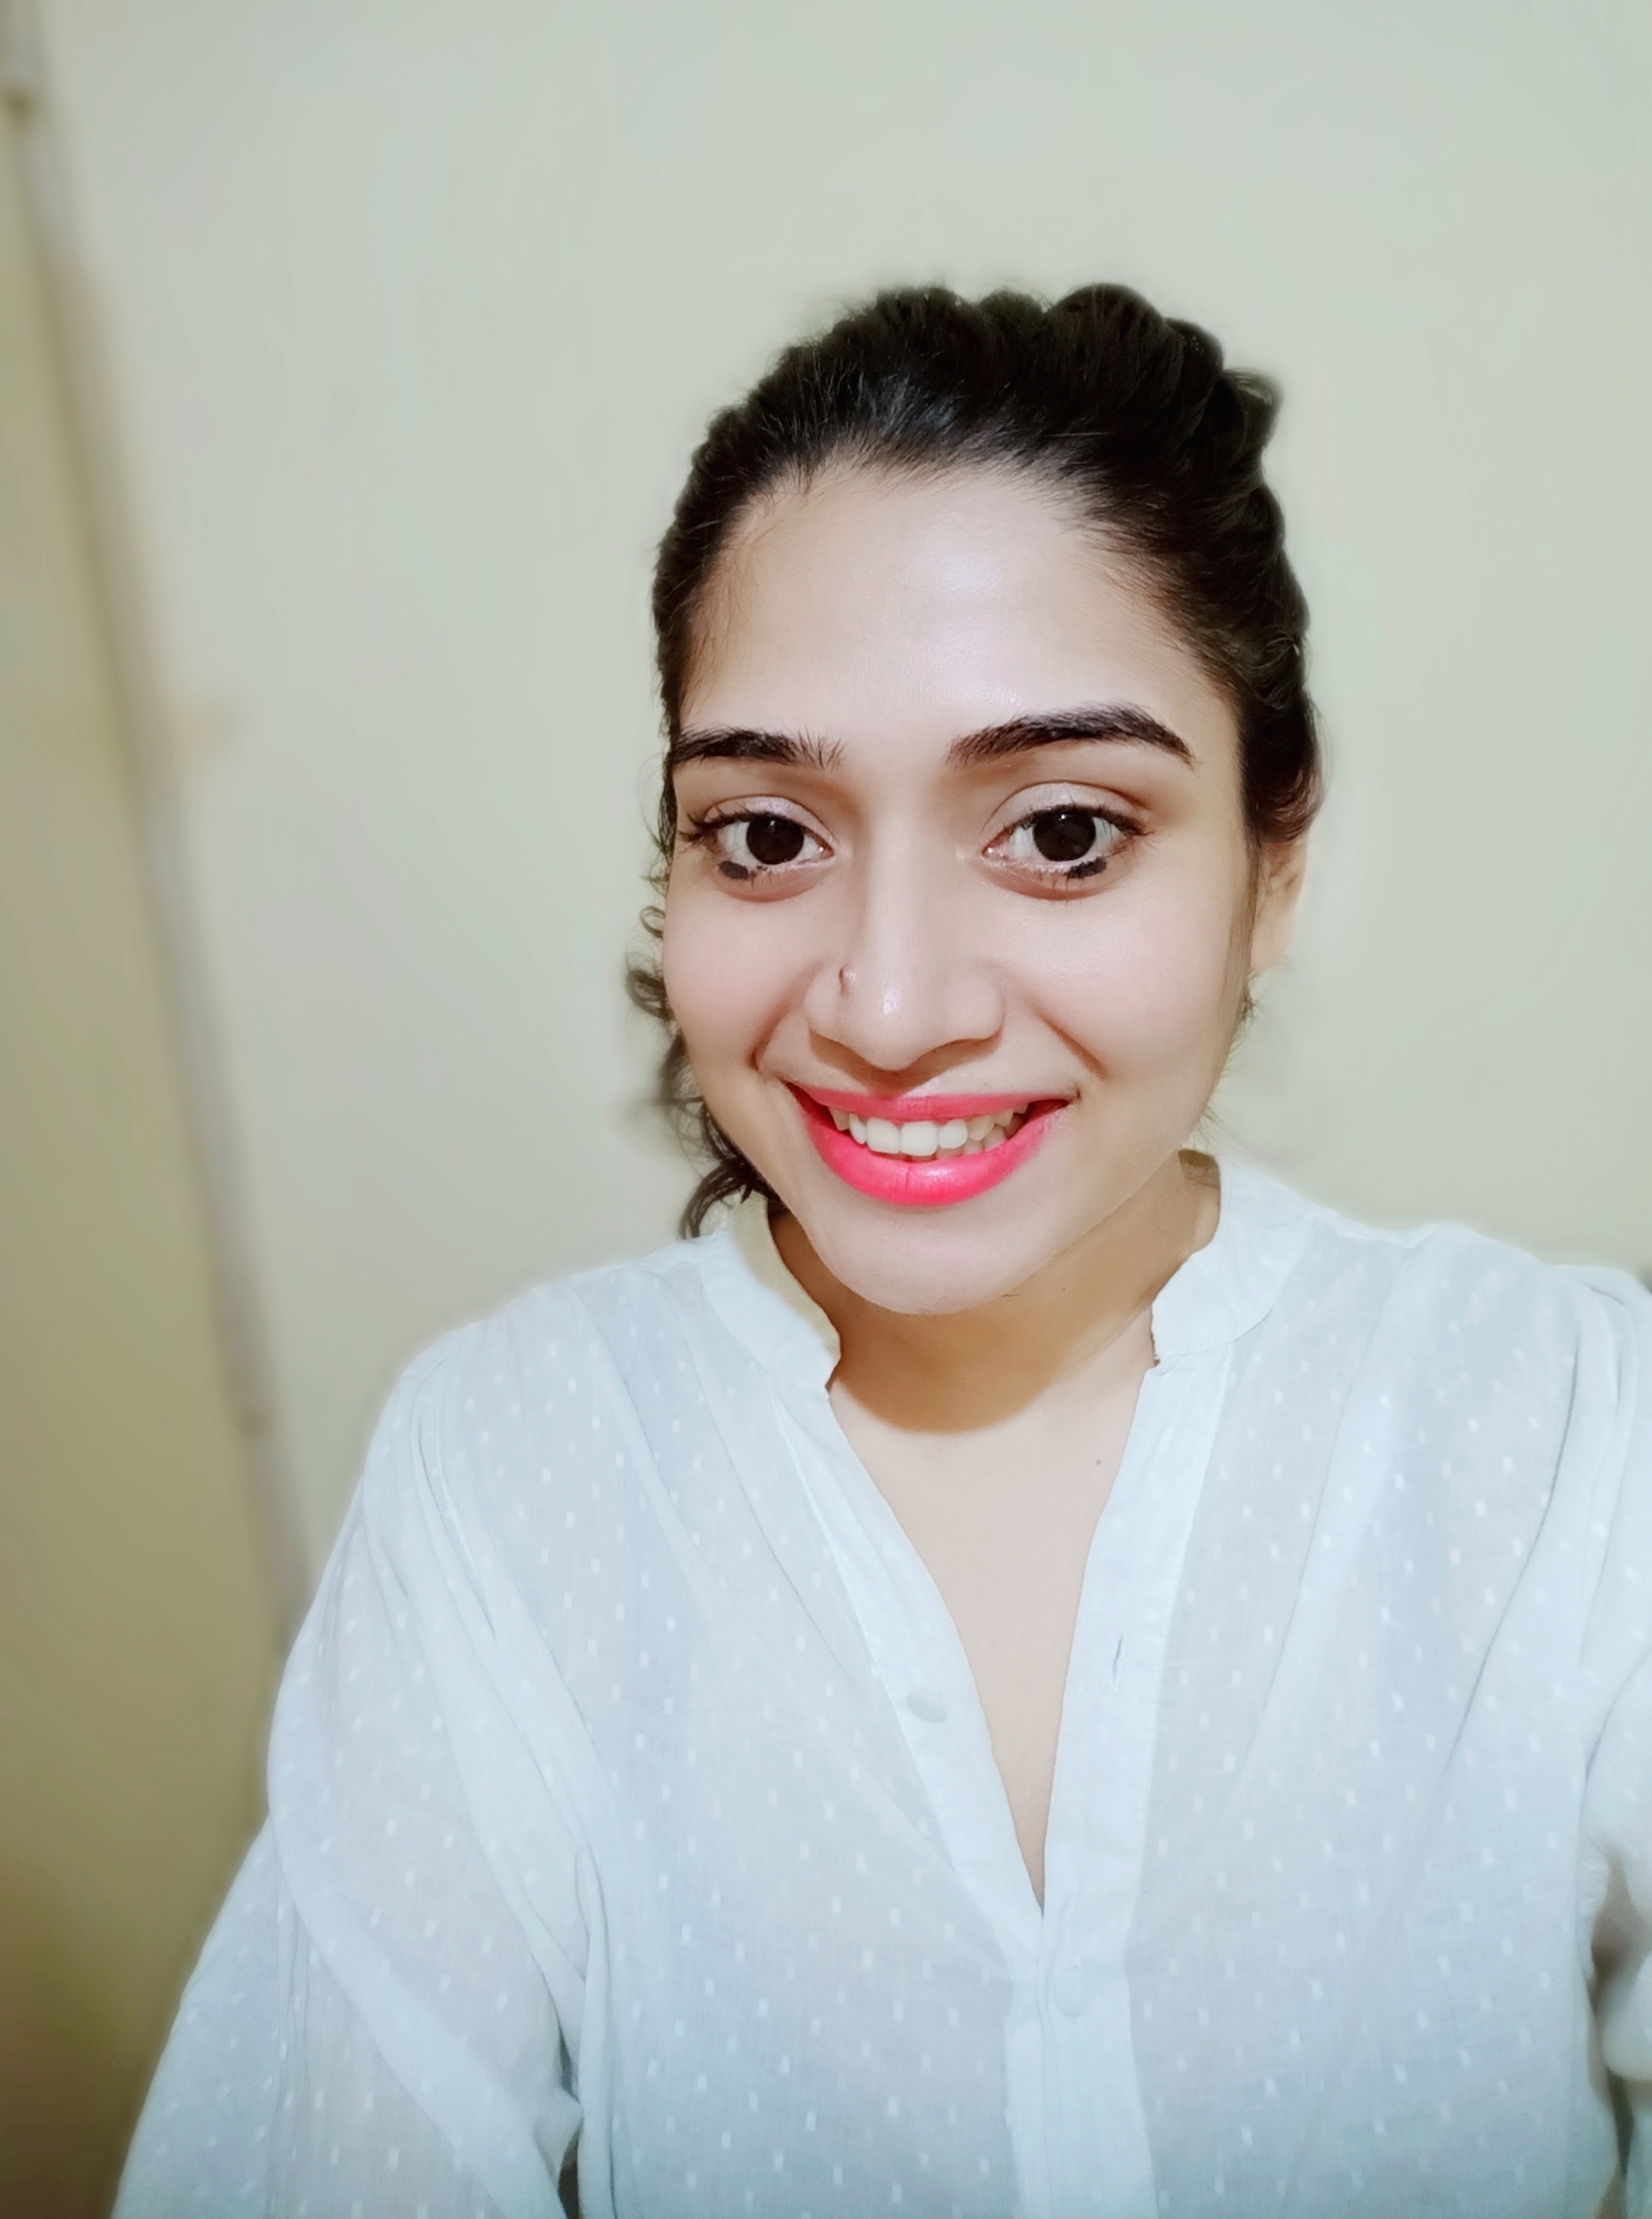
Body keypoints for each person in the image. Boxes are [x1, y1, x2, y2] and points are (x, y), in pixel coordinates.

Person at [116, 284, 1652, 2219]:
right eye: (767, 836)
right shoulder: (508, 1476)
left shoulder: (1567, 1433)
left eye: (1066, 833)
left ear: (1274, 862)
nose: (892, 1004)